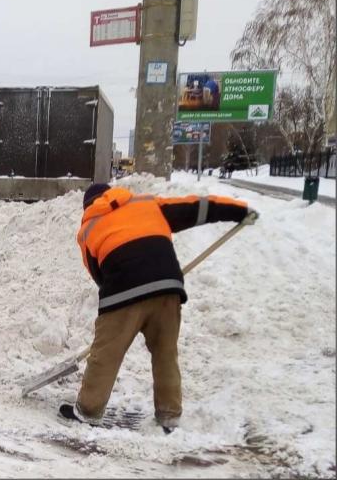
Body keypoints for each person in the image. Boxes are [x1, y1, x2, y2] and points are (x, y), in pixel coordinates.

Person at [59, 183, 258, 432]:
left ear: (88, 206)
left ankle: (88, 411)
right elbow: (196, 208)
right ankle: (169, 415)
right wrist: (238, 211)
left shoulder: (88, 229)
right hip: (167, 287)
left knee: (106, 354)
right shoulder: (147, 204)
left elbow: (97, 273)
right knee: (165, 353)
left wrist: (121, 294)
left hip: (123, 288)